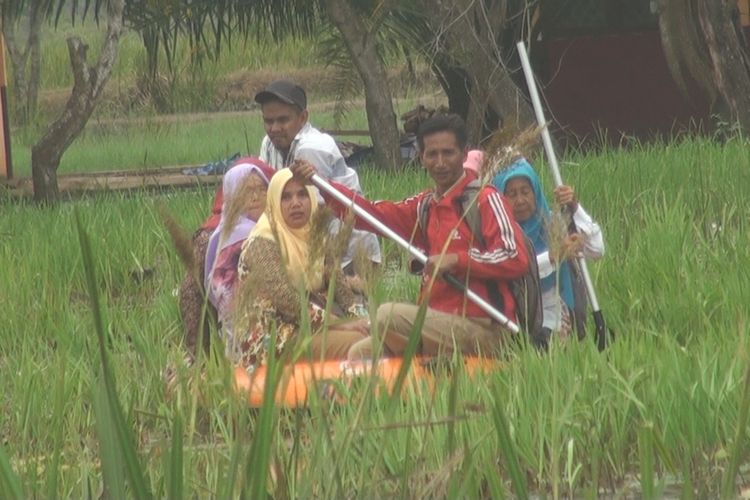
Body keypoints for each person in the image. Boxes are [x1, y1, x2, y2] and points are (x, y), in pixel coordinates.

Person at [292, 114, 530, 360]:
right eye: (432, 154)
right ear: (421, 156)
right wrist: (320, 183)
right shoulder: (425, 206)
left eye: (448, 153)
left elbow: (515, 257)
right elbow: (370, 214)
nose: (440, 163)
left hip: (484, 328)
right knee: (360, 353)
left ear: (464, 153)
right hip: (437, 323)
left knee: (386, 315)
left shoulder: (485, 199)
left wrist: (457, 260)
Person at [232, 168, 369, 368]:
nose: (296, 203)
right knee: (360, 343)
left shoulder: (316, 237)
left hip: (314, 325)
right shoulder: (263, 242)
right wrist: (340, 323)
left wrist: (362, 319)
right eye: (286, 197)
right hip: (276, 339)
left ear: (312, 199)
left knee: (376, 330)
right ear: (274, 203)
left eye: (302, 194)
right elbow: (286, 300)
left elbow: (341, 290)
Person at [254, 79, 381, 275]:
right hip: (316, 251)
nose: (274, 128)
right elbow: (268, 193)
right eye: (268, 121)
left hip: (350, 253)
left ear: (303, 118)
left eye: (282, 120)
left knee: (349, 305)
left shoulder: (312, 147)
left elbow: (312, 213)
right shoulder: (269, 143)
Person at [493, 158, 604, 342]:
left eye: (525, 192)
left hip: (557, 312)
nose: (520, 200)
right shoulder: (500, 233)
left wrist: (574, 207)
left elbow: (597, 249)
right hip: (518, 316)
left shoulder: (552, 223)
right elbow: (513, 269)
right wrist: (553, 257)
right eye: (511, 194)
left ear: (535, 192)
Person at [203, 158, 275, 351]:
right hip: (250, 340)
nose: (256, 197)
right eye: (246, 191)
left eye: (262, 189)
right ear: (232, 195)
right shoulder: (234, 239)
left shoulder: (269, 229)